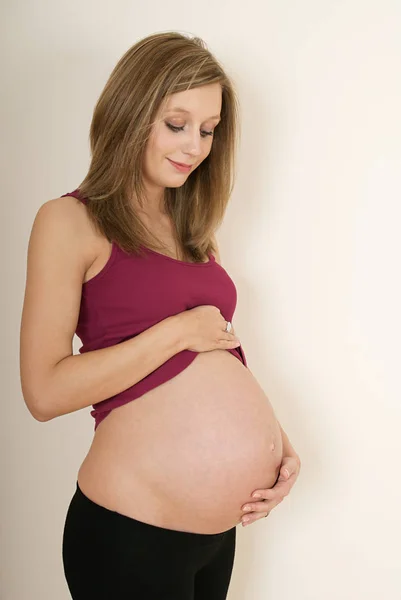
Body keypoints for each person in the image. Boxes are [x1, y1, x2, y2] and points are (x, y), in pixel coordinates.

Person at [19, 31, 301, 600]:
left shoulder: (195, 232)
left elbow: (215, 347)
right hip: (132, 532)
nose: (195, 145)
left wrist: (278, 446)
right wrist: (174, 333)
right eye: (177, 124)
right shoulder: (69, 221)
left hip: (217, 537)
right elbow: (43, 392)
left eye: (209, 129)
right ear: (130, 113)